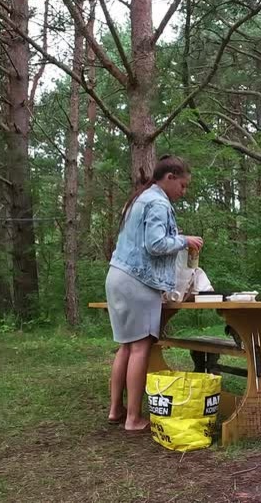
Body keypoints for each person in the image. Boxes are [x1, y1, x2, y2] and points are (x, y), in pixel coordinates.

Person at [105, 155, 204, 431]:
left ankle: (116, 409)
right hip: (139, 281)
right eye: (182, 186)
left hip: (118, 275)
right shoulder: (158, 202)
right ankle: (134, 418)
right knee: (140, 348)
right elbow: (155, 244)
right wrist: (184, 240)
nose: (183, 193)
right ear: (170, 177)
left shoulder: (140, 199)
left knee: (125, 346)